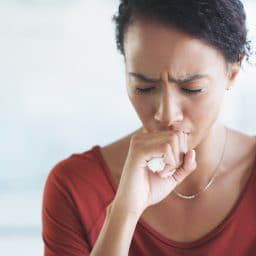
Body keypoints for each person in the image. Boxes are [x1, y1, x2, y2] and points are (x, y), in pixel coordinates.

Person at [42, 0, 256, 255]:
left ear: (232, 71)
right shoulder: (75, 188)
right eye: (144, 87)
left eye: (192, 88)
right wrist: (123, 213)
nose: (166, 114)